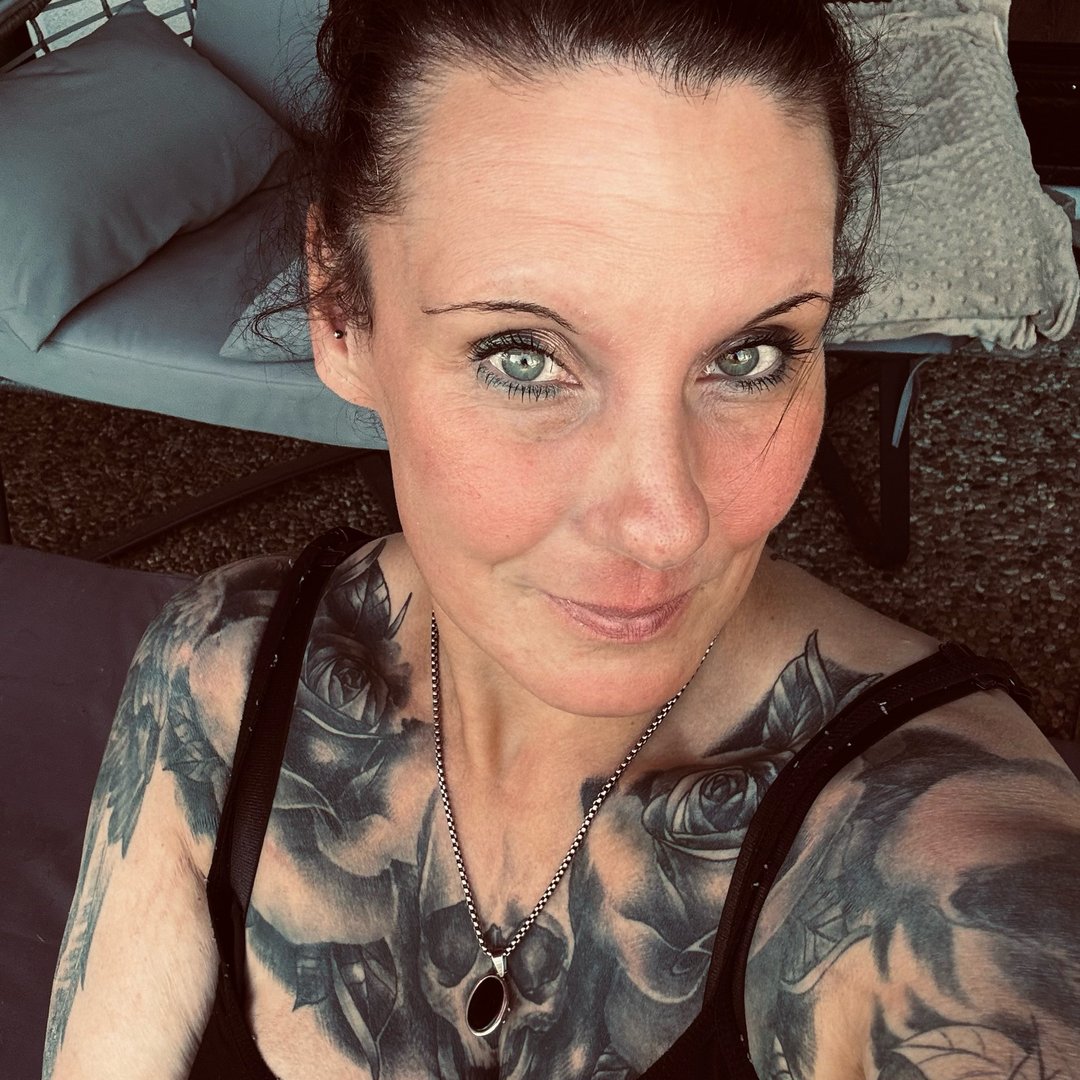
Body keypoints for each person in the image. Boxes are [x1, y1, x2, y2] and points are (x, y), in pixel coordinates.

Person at [43, 1, 1080, 1077]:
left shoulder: (944, 871)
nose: (667, 524)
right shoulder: (216, 674)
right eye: (524, 358)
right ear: (341, 311)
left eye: (752, 355)